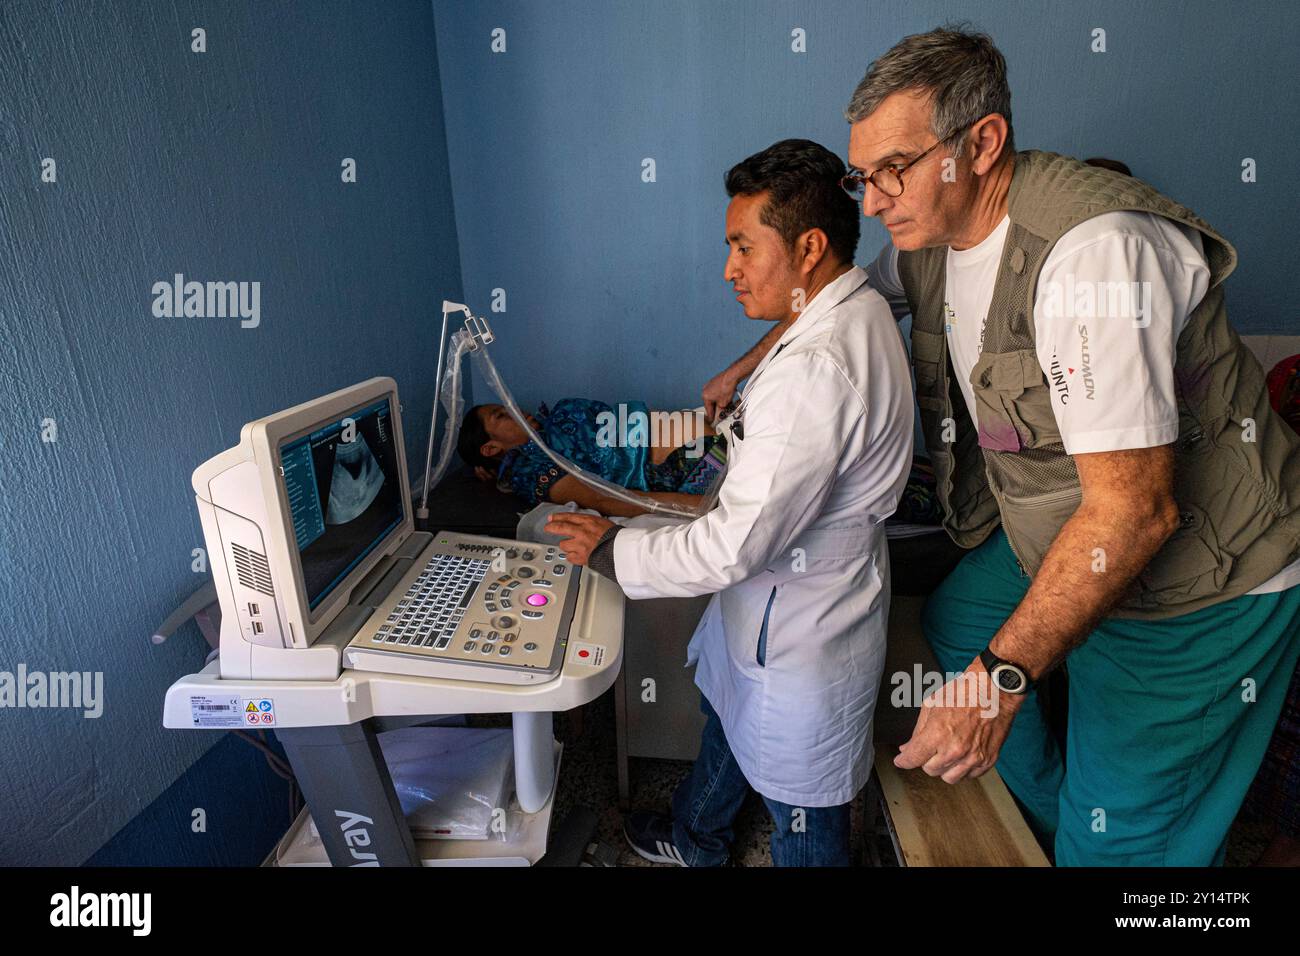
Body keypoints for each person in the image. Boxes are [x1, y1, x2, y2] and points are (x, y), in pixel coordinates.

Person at [704, 27, 1300, 866]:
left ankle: (1105, 839)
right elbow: (838, 298)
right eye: (860, 176)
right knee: (959, 620)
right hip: (1065, 530)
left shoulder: (1095, 259)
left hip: (1199, 574)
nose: (870, 202)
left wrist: (998, 683)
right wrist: (750, 358)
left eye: (893, 170)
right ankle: (1062, 820)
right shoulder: (935, 242)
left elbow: (1134, 514)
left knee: (1121, 840)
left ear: (981, 143)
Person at [547, 139, 914, 866]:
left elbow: (729, 547)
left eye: (743, 248)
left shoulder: (816, 373)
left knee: (802, 818)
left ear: (809, 247)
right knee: (724, 711)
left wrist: (611, 547)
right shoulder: (853, 302)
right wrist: (746, 364)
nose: (729, 270)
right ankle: (697, 837)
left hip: (801, 641)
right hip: (773, 611)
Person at [457, 399, 723, 516]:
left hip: (705, 441)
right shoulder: (534, 471)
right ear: (490, 449)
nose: (514, 409)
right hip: (693, 466)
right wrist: (697, 506)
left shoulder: (552, 424)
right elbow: (603, 498)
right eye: (502, 415)